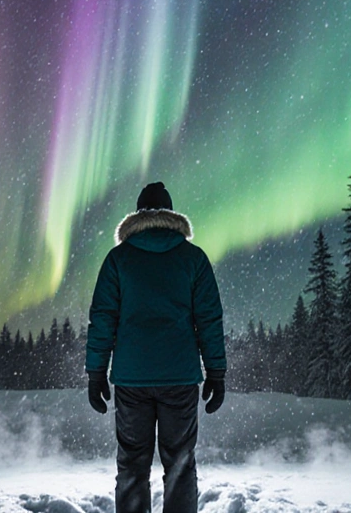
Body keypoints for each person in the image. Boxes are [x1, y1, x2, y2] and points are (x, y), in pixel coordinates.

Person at [85, 182, 227, 513]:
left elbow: (103, 319)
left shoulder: (118, 259)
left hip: (132, 380)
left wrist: (96, 373)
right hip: (179, 378)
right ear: (170, 214)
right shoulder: (194, 259)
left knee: (133, 464)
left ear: (137, 215)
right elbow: (209, 320)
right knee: (179, 464)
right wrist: (216, 372)